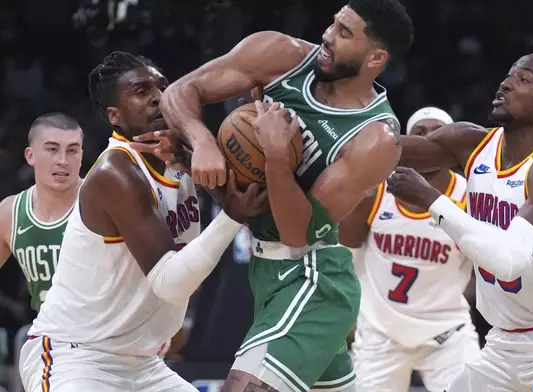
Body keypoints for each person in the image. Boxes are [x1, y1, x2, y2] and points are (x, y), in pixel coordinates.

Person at [152, 1, 414, 390]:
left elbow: (299, 233)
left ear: (376, 57)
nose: (327, 35)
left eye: (344, 33)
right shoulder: (279, 54)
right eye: (333, 23)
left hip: (313, 277)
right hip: (265, 270)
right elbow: (180, 90)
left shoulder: (375, 138)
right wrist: (200, 141)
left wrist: (276, 157)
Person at [18, 51, 267, 392]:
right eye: (140, 91)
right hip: (76, 358)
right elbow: (170, 281)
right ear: (114, 116)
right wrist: (231, 217)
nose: (157, 98)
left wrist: (204, 166)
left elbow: (243, 206)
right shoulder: (115, 172)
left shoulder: (180, 158)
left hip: (143, 363)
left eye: (162, 87)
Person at [387, 52, 533, 392]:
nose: (506, 83)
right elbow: (384, 149)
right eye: (509, 75)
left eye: (524, 79)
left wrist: (431, 200)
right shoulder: (470, 143)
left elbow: (509, 261)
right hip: (502, 346)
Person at [339, 107, 479, 392]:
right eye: (420, 133)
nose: (429, 140)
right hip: (381, 334)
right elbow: (345, 261)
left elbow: (489, 265)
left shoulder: (470, 197)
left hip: (447, 334)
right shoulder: (373, 192)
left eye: (437, 133)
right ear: (406, 142)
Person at [0, 113, 83, 312]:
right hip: (47, 332)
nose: (63, 160)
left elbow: (148, 269)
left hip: (107, 335)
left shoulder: (103, 200)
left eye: (72, 151)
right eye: (52, 150)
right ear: (30, 156)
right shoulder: (10, 212)